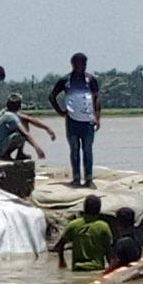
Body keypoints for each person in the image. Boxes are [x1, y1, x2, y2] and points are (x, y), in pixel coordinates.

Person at [49, 52, 103, 188]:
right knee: (74, 149)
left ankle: (89, 179)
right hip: (72, 121)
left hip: (88, 121)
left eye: (84, 63)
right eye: (79, 63)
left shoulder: (91, 80)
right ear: (73, 64)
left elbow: (97, 98)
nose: (82, 66)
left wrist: (97, 117)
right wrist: (60, 111)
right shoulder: (65, 80)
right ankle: (76, 178)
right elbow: (52, 96)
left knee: (88, 149)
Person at [52, 193, 114, 272]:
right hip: (97, 270)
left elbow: (60, 245)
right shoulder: (103, 227)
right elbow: (109, 251)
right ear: (99, 209)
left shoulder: (73, 225)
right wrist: (110, 270)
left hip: (78, 269)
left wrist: (62, 261)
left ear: (84, 208)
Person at [0, 95, 52, 161]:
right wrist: (37, 148)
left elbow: (29, 119)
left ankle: (20, 154)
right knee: (20, 135)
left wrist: (47, 128)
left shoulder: (4, 112)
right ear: (19, 106)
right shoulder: (11, 117)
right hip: (0, 151)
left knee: (24, 122)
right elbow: (25, 133)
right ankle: (6, 155)